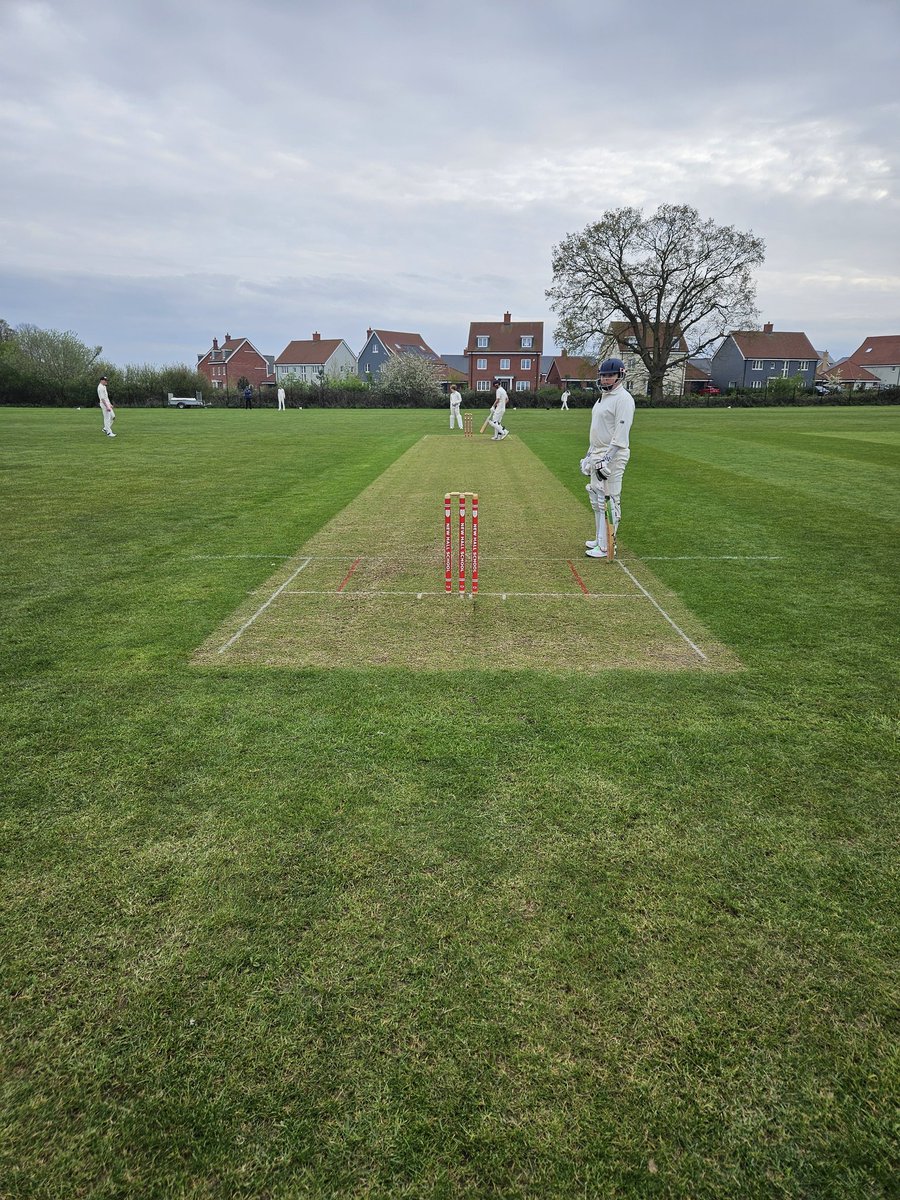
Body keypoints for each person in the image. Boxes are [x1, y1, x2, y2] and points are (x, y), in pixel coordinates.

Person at [581, 357, 635, 559]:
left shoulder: (624, 399)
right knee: (596, 498)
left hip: (614, 455)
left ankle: (607, 545)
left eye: (609, 375)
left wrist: (607, 458)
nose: (605, 379)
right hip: (597, 452)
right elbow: (597, 430)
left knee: (610, 499)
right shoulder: (602, 397)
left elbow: (621, 432)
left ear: (620, 376)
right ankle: (599, 538)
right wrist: (588, 456)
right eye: (603, 376)